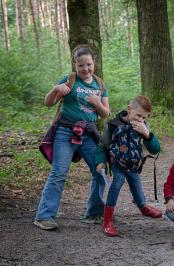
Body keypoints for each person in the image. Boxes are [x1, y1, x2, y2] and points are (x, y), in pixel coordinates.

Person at [34, 45, 110, 230]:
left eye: (89, 64)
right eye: (81, 65)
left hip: (88, 134)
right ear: (74, 64)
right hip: (65, 132)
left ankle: (94, 212)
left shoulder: (99, 84)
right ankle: (44, 216)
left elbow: (105, 113)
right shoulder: (69, 80)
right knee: (59, 173)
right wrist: (56, 89)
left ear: (94, 63)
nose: (85, 69)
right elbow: (48, 103)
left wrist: (97, 103)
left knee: (100, 170)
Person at [96, 96, 162, 237]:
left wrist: (147, 134)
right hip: (117, 164)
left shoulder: (143, 126)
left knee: (137, 189)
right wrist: (100, 161)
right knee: (117, 183)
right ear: (129, 109)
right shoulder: (113, 125)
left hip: (133, 165)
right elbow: (102, 145)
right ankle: (107, 221)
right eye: (138, 115)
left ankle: (143, 208)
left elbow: (155, 149)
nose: (140, 119)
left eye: (144, 117)